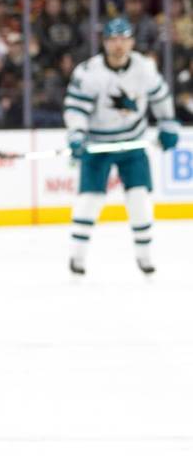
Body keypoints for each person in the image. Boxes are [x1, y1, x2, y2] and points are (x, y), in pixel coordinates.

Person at [63, 17, 178, 275]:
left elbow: (161, 98)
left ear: (132, 41)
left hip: (132, 143)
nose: (119, 45)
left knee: (139, 199)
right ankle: (77, 258)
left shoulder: (144, 67)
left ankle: (144, 257)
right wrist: (77, 135)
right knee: (89, 200)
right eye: (113, 39)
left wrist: (168, 124)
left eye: (124, 39)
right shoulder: (88, 72)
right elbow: (75, 109)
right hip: (98, 144)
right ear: (104, 42)